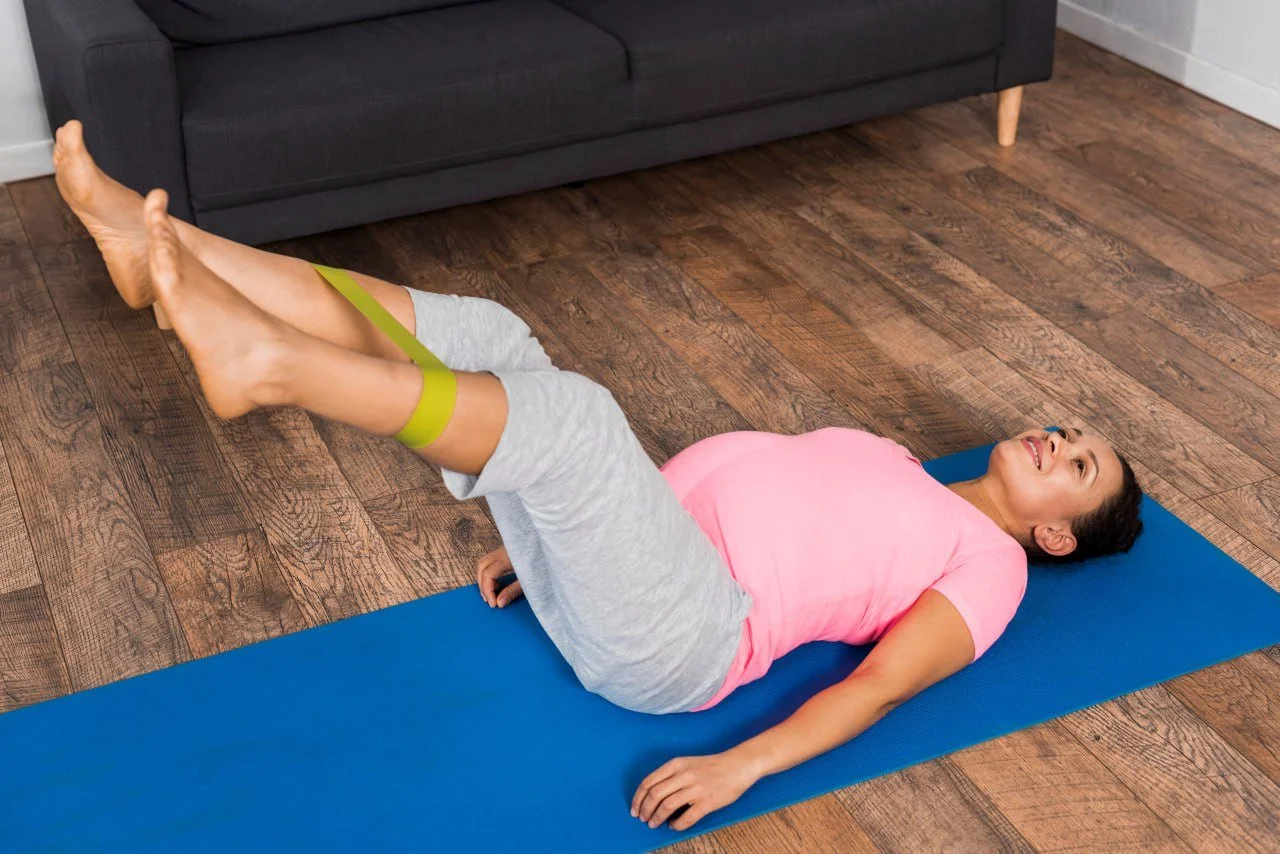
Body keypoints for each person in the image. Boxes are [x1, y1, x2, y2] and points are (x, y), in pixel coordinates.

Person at [51, 120, 1143, 832]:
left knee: (574, 417)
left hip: (683, 641)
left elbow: (878, 685)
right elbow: (714, 490)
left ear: (1056, 534)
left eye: (1075, 460)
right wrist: (566, 529)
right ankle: (168, 251)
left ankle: (268, 363)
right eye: (1063, 426)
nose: (1054, 436)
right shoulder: (899, 463)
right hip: (617, 576)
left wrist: (744, 766)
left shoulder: (989, 566)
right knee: (494, 331)